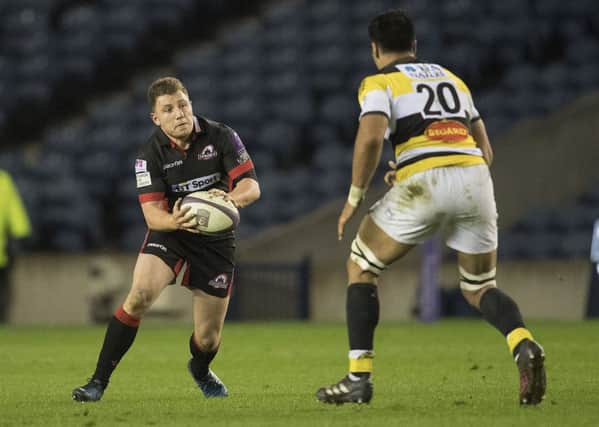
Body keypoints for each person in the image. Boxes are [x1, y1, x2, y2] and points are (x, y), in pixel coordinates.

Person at [316, 10, 546, 406]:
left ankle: (358, 379)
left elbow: (370, 139)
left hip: (426, 183)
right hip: (475, 177)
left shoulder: (379, 81)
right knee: (479, 287)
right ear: (415, 46)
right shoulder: (452, 78)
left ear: (374, 49)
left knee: (361, 265)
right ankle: (523, 343)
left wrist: (354, 197)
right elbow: (485, 151)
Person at [72, 77, 260, 402]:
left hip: (215, 243)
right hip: (171, 233)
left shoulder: (222, 135)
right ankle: (97, 383)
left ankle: (200, 369)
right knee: (139, 296)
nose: (179, 114)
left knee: (207, 340)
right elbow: (152, 216)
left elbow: (251, 186)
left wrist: (232, 199)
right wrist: (174, 220)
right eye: (169, 109)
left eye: (183, 105)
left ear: (191, 104)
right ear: (156, 118)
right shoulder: (149, 155)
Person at [0, 169, 32, 322]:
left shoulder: (4, 180)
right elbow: (15, 211)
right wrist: (20, 232)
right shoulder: (3, 180)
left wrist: (20, 233)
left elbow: (14, 209)